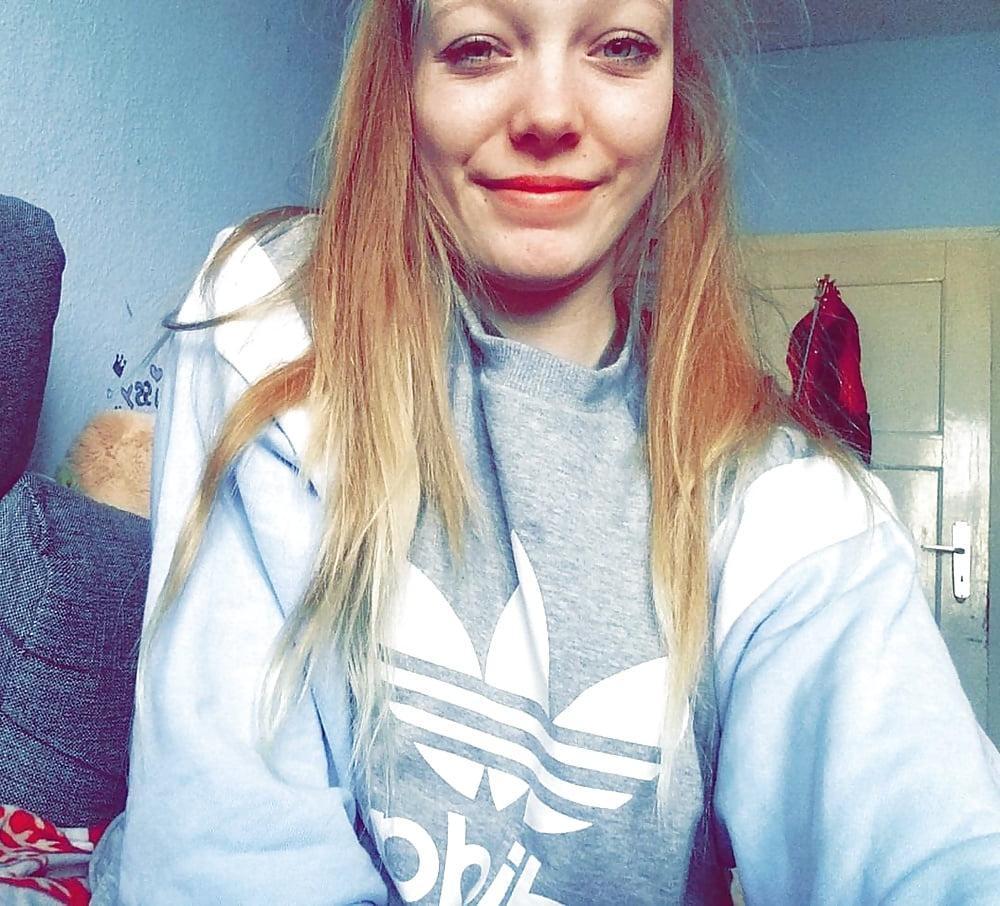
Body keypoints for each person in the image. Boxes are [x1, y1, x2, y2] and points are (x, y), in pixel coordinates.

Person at [89, 0, 1000, 903]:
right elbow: (228, 856)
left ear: (675, 92)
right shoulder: (272, 326)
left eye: (621, 48)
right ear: (403, 78)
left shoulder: (788, 504)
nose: (551, 114)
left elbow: (936, 842)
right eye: (478, 47)